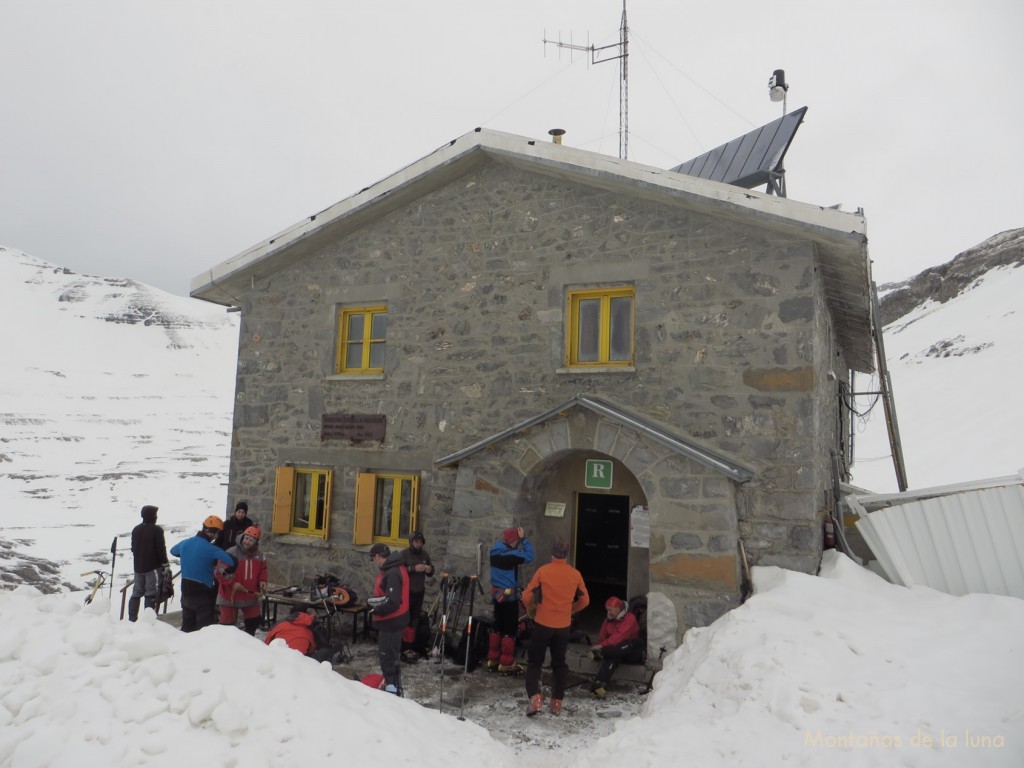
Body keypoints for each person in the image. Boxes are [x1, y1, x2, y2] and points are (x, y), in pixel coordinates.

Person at [521, 538, 589, 716]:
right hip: (563, 626)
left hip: (543, 623)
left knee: (535, 661)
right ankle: (557, 702)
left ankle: (535, 698)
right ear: (566, 554)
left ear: (552, 553)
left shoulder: (543, 571)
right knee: (559, 664)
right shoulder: (575, 574)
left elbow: (527, 595)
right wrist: (571, 610)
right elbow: (585, 600)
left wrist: (530, 609)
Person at [169, 515, 237, 633]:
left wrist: (188, 556)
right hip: (203, 594)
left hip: (186, 592)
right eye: (218, 534)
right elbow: (233, 561)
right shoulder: (211, 549)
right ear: (213, 533)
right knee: (204, 631)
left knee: (187, 628)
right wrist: (226, 571)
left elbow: (173, 551)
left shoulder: (185, 543)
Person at [486, 526, 534, 674]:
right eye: (517, 541)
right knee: (509, 630)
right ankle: (506, 662)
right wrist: (524, 539)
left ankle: (492, 659)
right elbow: (529, 557)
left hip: (496, 594)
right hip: (509, 596)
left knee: (497, 626)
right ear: (513, 541)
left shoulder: (494, 551)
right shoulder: (511, 554)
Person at [366, 543, 410, 695]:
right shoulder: (396, 567)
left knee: (388, 657)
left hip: (392, 621)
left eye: (374, 559)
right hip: (396, 620)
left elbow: (393, 602)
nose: (375, 563)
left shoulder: (392, 572)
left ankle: (392, 690)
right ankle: (394, 686)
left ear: (378, 556)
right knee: (393, 657)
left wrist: (376, 609)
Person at [215, 525, 267, 634]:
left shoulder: (259, 555)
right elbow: (219, 571)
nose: (247, 542)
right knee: (226, 627)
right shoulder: (231, 553)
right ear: (242, 537)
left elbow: (263, 570)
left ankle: (248, 647)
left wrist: (262, 580)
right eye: (246, 538)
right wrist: (232, 583)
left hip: (250, 595)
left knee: (253, 623)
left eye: (251, 540)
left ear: (256, 542)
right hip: (230, 596)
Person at [588, 596, 643, 698]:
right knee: (613, 658)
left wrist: (602, 648)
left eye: (610, 610)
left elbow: (619, 637)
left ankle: (602, 654)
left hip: (631, 650)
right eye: (607, 610)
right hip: (616, 652)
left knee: (623, 646)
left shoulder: (629, 618)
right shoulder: (609, 619)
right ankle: (598, 688)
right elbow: (602, 635)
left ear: (618, 609)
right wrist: (600, 644)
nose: (608, 612)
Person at [127, 504, 170, 622]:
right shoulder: (157, 530)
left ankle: (132, 619)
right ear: (152, 516)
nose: (156, 517)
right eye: (155, 514)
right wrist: (165, 564)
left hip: (138, 567)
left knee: (136, 592)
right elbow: (161, 549)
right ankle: (148, 621)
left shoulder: (136, 529)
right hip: (153, 567)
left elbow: (133, 548)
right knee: (151, 592)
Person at [399, 531, 434, 659]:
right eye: (416, 542)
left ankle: (409, 647)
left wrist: (429, 569)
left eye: (420, 542)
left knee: (414, 620)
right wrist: (413, 569)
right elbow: (399, 570)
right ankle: (401, 647)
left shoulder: (425, 555)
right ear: (411, 542)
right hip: (407, 592)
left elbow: (431, 571)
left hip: (420, 591)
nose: (418, 544)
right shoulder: (404, 554)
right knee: (404, 619)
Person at [264, 610, 341, 663]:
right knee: (326, 652)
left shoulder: (281, 623)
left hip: (275, 656)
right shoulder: (309, 631)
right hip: (299, 662)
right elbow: (311, 650)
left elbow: (266, 641)